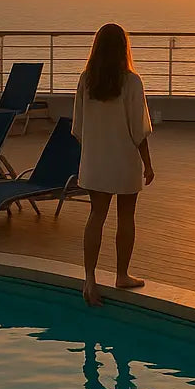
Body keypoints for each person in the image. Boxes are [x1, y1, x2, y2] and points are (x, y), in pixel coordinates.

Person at [72, 23, 154, 306]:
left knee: (96, 216)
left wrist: (94, 151)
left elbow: (79, 128)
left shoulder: (87, 81)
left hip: (95, 161)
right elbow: (138, 130)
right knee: (125, 217)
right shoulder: (131, 82)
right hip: (124, 159)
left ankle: (89, 278)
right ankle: (121, 274)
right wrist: (148, 163)